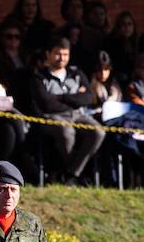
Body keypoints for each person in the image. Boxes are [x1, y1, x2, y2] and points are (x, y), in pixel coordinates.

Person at [30, 37, 106, 183]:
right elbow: (47, 104)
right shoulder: (39, 77)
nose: (62, 58)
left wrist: (60, 97)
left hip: (78, 115)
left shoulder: (76, 73)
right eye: (57, 54)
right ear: (48, 54)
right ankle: (77, 176)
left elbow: (88, 98)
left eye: (65, 54)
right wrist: (75, 98)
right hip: (51, 117)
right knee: (66, 132)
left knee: (98, 132)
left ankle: (71, 173)